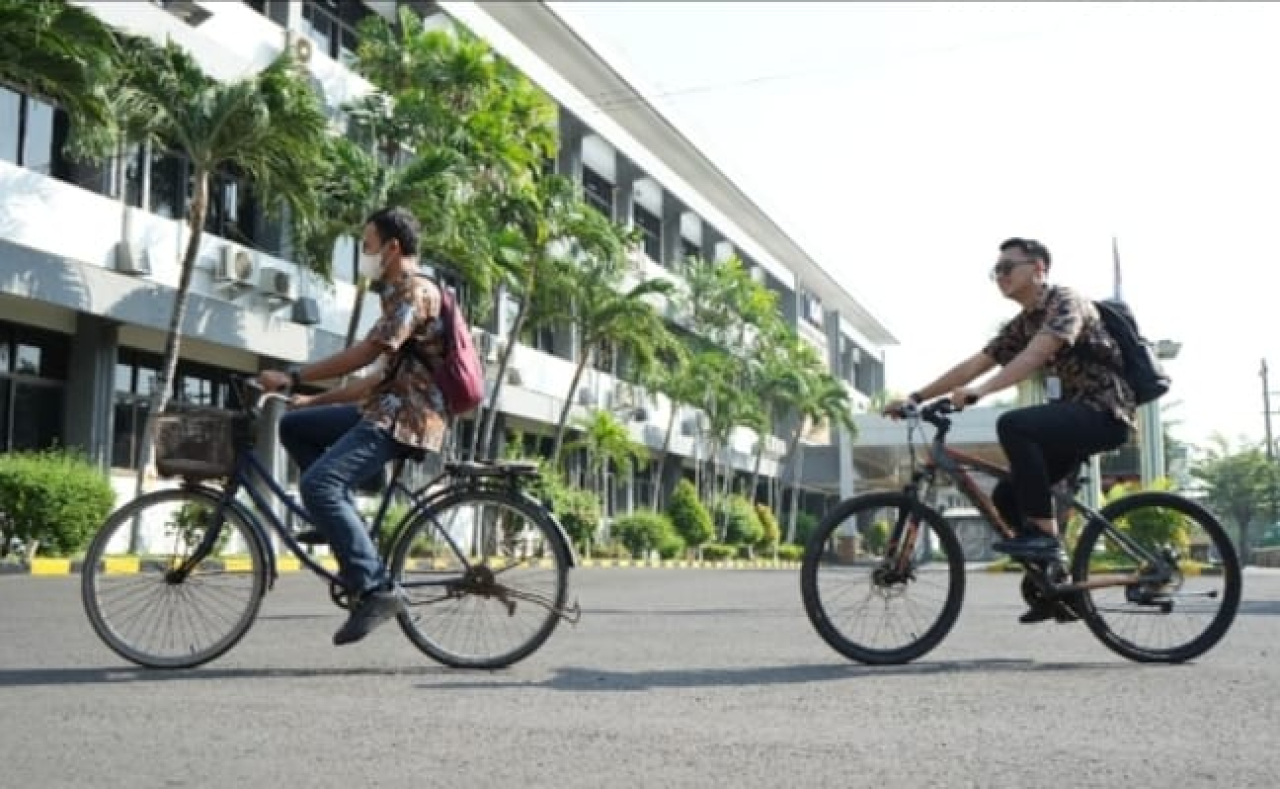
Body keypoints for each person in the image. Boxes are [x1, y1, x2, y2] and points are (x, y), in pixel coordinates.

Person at [883, 237, 1134, 623]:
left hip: (1104, 412)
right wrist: (915, 398)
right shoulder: (1023, 323)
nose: (999, 276)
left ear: (1038, 269)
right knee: (1006, 494)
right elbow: (974, 365)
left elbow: (1037, 353)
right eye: (995, 271)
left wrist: (981, 392)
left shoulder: (1066, 301)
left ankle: (1045, 542)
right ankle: (1057, 587)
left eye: (1006, 268)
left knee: (1015, 425)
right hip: (1072, 417)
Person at [258, 206, 449, 645]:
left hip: (406, 419)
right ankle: (341, 523)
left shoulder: (415, 292)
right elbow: (375, 378)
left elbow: (367, 352)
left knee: (319, 485)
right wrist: (313, 400)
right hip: (386, 407)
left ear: (392, 248)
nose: (363, 255)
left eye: (367, 246)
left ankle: (376, 589)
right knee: (295, 427)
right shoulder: (399, 295)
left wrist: (293, 377)